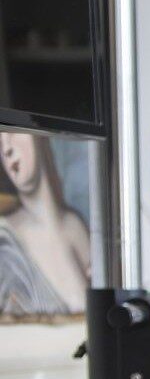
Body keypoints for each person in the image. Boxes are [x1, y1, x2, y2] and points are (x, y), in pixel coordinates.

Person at [0, 130, 91, 314]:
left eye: (12, 133)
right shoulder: (6, 244)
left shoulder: (75, 225)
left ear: (39, 136)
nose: (6, 149)